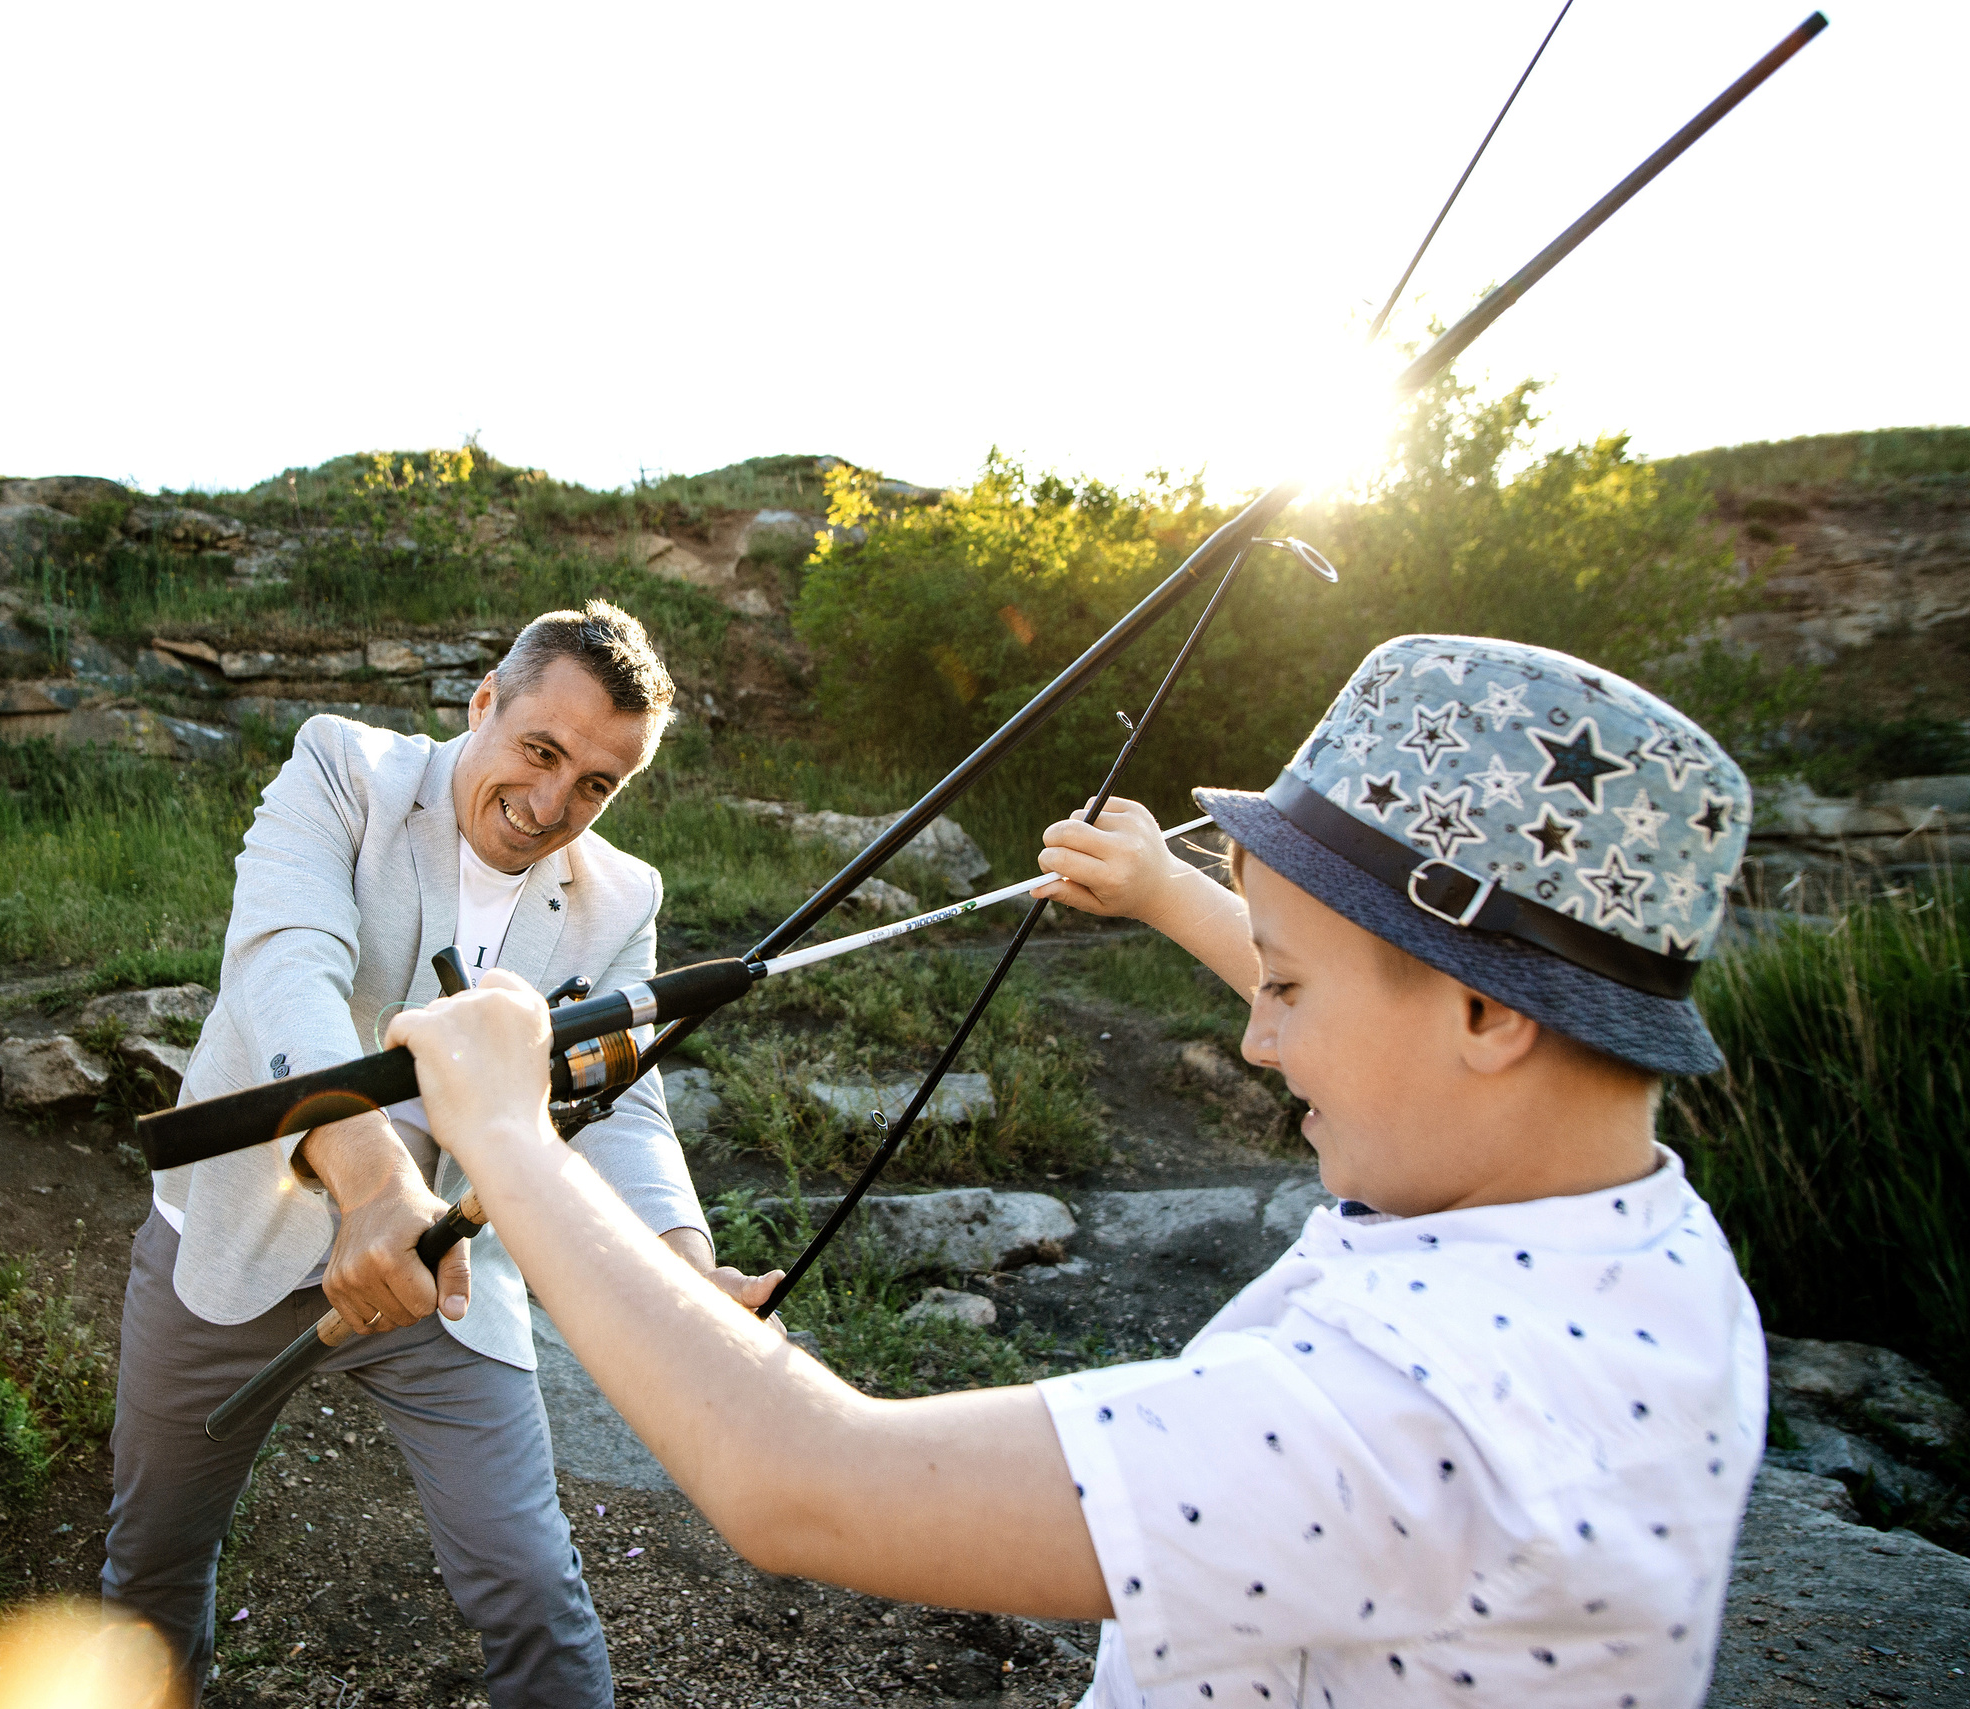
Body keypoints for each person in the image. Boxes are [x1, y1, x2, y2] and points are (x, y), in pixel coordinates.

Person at [385, 633, 1767, 1707]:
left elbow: (802, 1480)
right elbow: (1426, 1032)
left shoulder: (1418, 1424)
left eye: (1284, 985)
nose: (1257, 1032)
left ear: (1486, 1011)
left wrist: (506, 1132)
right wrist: (1174, 893)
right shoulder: (1622, 1224)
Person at [101, 600, 778, 1708]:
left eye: (598, 784)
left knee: (528, 1579)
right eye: (540, 750)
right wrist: (373, 1185)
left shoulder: (623, 898)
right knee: (153, 1568)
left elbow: (620, 1101)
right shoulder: (343, 769)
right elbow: (286, 969)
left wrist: (687, 1272)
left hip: (447, 1271)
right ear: (481, 705)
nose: (553, 803)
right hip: (234, 1239)